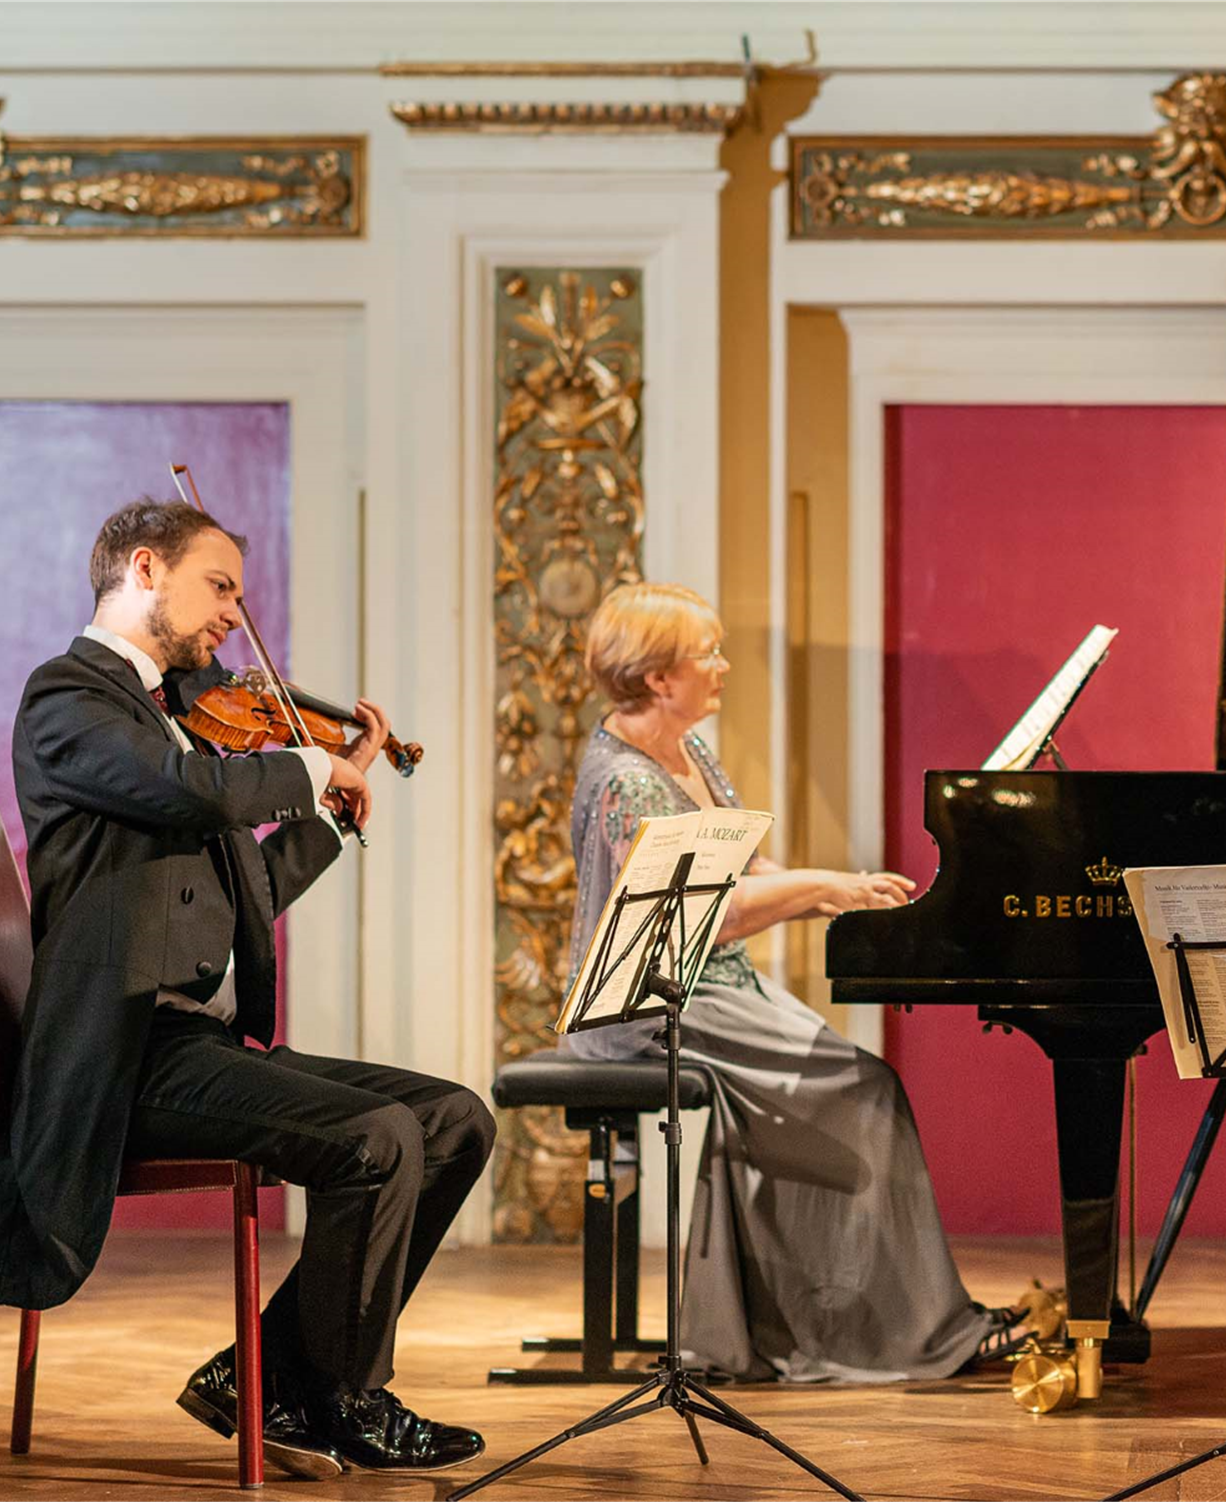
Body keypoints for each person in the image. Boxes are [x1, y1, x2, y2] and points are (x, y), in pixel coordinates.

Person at [0, 500, 495, 1480]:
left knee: (451, 1120)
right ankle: (341, 1399)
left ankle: (262, 1375)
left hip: (201, 1046)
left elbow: (253, 884)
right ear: (146, 568)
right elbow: (187, 787)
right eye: (218, 584)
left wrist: (339, 782)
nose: (236, 611)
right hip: (123, 1052)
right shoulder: (70, 699)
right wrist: (303, 764)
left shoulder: (184, 721)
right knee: (375, 1136)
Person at [561, 581, 1014, 1382]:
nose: (724, 666)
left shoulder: (687, 748)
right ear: (660, 678)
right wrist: (816, 886)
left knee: (843, 1089)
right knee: (861, 1088)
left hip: (717, 984)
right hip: (655, 1000)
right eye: (708, 654)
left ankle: (793, 1324)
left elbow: (742, 868)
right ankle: (893, 1332)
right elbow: (696, 914)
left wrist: (833, 888)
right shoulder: (626, 777)